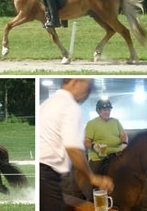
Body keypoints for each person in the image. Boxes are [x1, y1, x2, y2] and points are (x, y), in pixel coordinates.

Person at [39, 79, 114, 210]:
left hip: (44, 173)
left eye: (108, 109)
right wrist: (92, 177)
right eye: (87, 87)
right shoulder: (71, 107)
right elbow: (73, 148)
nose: (88, 93)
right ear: (75, 82)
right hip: (48, 174)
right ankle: (87, 195)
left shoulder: (46, 104)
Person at [84, 99, 128, 175]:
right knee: (93, 175)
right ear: (98, 111)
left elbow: (123, 135)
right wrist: (93, 146)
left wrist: (124, 143)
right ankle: (92, 186)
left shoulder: (115, 122)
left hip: (117, 154)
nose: (107, 112)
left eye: (108, 110)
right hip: (99, 156)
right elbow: (86, 141)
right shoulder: (91, 124)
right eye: (104, 110)